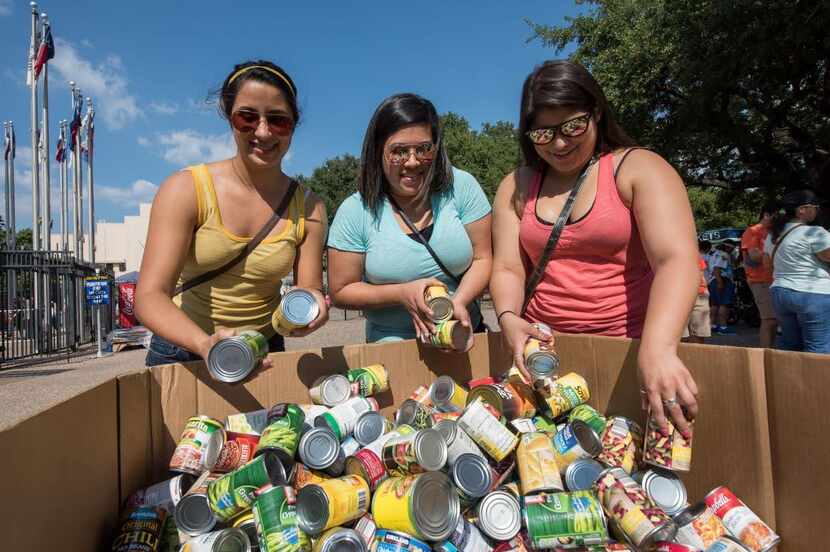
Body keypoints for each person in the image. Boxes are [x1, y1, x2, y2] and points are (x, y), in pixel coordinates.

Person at [490, 60, 699, 435]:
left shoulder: (638, 169)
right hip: (544, 360)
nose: (558, 143)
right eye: (542, 133)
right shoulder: (516, 185)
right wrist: (507, 317)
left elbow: (675, 260)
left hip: (631, 350)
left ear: (597, 113)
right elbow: (508, 268)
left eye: (572, 126)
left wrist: (659, 349)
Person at [136, 61, 329, 367]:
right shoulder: (185, 189)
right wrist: (206, 345)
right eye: (247, 118)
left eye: (279, 121)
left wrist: (312, 306)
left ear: (294, 125)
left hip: (261, 349)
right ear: (230, 117)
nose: (263, 132)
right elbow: (149, 296)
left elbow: (309, 286)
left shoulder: (310, 206)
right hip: (183, 350)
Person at [327, 93, 492, 347]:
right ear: (377, 151)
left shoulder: (462, 186)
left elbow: (483, 258)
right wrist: (402, 293)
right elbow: (340, 291)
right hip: (393, 346)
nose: (413, 161)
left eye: (424, 149)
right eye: (399, 151)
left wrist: (458, 302)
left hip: (463, 334)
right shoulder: (355, 210)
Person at [763, 189, 830, 353]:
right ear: (802, 210)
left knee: (790, 346)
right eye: (815, 206)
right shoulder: (814, 232)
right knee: (818, 348)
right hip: (813, 293)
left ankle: (788, 379)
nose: (817, 210)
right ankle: (817, 380)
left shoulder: (773, 235)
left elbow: (767, 265)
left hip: (780, 293)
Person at [740, 204, 777, 347]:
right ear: (767, 215)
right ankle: (767, 355)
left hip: (776, 280)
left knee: (775, 321)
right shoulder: (753, 231)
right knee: (769, 320)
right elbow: (753, 256)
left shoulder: (775, 231)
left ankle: (772, 352)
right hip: (760, 280)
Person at [683, 242, 711, 344]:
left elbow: (701, 273)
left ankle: (696, 358)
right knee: (680, 336)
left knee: (699, 333)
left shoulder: (693, 252)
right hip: (678, 296)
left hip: (699, 294)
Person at [706, 242, 736, 335]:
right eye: (732, 248)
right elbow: (716, 269)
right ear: (727, 247)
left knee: (714, 304)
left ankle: (712, 325)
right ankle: (723, 327)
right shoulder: (723, 255)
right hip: (722, 280)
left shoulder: (713, 254)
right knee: (724, 304)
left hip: (713, 280)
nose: (732, 250)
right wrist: (720, 283)